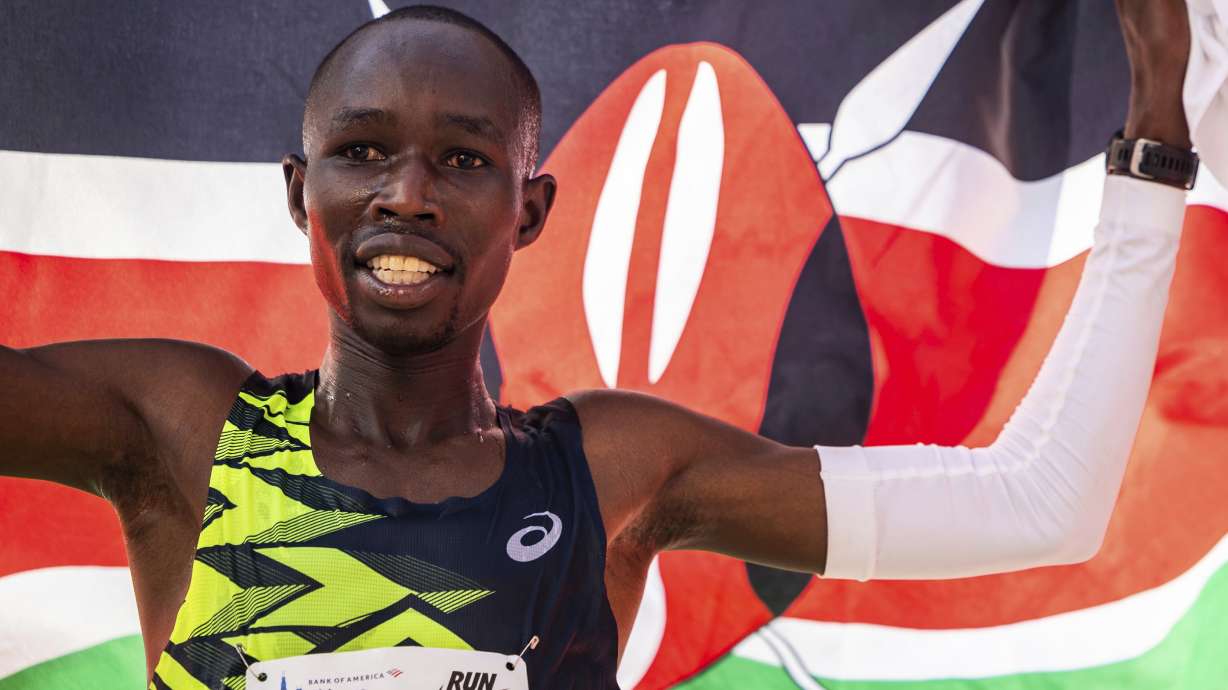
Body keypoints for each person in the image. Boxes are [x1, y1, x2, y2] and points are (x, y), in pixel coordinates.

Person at [0, 2, 1200, 688]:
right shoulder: (184, 434)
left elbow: (1042, 505)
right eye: (363, 151)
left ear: (529, 210)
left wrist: (1153, 134)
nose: (407, 194)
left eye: (464, 159)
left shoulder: (609, 474)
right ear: (298, 189)